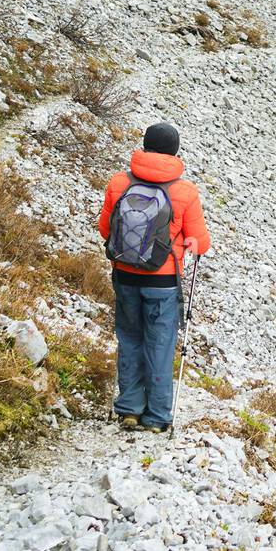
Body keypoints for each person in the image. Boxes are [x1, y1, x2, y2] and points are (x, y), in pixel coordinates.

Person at [98, 122, 210, 432]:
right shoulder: (184, 192)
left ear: (145, 146)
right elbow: (201, 241)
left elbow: (105, 230)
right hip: (162, 281)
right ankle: (158, 417)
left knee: (130, 339)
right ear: (175, 152)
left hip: (125, 276)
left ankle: (130, 409)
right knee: (160, 344)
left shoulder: (119, 183)